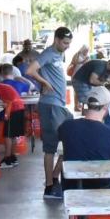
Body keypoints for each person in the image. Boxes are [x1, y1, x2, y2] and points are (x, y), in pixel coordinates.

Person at [57, 87, 110, 189]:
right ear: (106, 106)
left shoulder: (66, 126)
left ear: (87, 104)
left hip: (71, 188)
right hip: (102, 189)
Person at [27, 26, 73, 200]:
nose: (67, 46)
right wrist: (44, 83)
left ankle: (54, 176)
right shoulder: (48, 53)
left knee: (73, 139)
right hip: (50, 105)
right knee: (50, 148)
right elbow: (30, 70)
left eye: (69, 43)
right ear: (56, 40)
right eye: (65, 43)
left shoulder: (59, 54)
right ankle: (49, 186)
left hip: (59, 105)